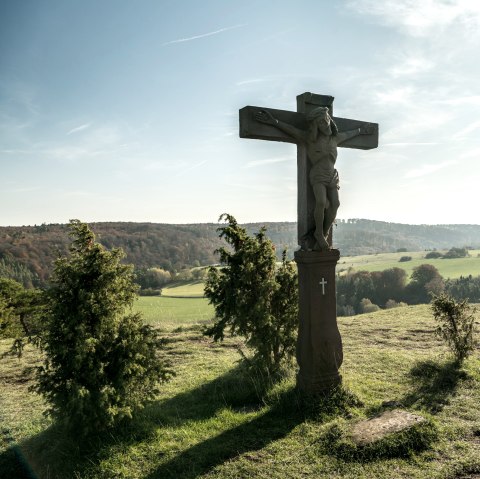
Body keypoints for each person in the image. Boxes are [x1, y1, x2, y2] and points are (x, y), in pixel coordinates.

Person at [255, 106, 373, 251]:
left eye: (327, 120)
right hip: (318, 174)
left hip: (332, 175)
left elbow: (351, 134)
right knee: (322, 202)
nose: (326, 124)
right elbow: (292, 130)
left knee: (335, 204)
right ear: (316, 125)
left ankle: (322, 233)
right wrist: (274, 122)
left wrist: (362, 130)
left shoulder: (335, 138)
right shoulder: (310, 139)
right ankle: (319, 232)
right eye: (322, 122)